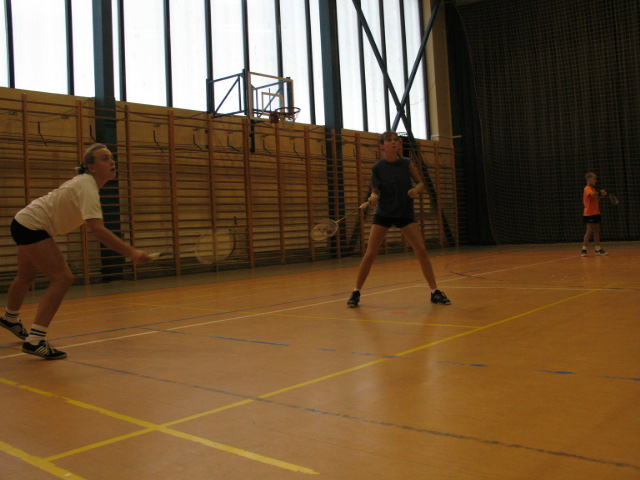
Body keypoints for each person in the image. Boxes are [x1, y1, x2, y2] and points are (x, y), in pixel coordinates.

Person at [0, 144, 155, 360]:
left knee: (26, 276)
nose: (112, 162)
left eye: (111, 158)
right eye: (104, 159)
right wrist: (132, 253)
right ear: (91, 167)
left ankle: (10, 318)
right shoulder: (87, 187)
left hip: (24, 222)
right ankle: (35, 340)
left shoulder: (86, 184)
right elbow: (98, 230)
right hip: (32, 226)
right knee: (63, 278)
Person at [347, 131, 451, 307]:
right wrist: (373, 197)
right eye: (390, 140)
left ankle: (435, 291)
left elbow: (421, 183)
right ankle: (356, 292)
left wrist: (416, 190)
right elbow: (375, 191)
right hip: (384, 213)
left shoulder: (406, 163)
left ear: (399, 145)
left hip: (404, 212)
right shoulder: (377, 167)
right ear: (382, 146)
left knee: (421, 250)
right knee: (370, 253)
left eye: (396, 140)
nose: (394, 142)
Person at [581, 172, 608, 257]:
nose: (595, 180)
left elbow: (596, 199)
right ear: (589, 179)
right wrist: (600, 192)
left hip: (596, 212)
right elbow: (592, 195)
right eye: (594, 179)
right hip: (589, 213)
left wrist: (601, 195)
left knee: (596, 230)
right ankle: (584, 249)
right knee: (589, 230)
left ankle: (598, 249)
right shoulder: (587, 188)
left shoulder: (593, 189)